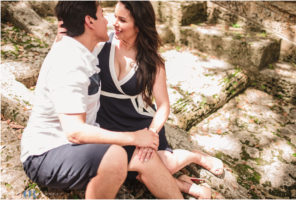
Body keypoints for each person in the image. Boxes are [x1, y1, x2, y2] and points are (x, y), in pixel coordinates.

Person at [20, 1, 183, 199]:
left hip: (82, 144)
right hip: (48, 153)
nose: (110, 22)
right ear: (89, 21)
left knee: (146, 158)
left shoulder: (85, 52)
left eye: (120, 19)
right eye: (103, 15)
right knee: (115, 156)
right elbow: (75, 132)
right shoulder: (70, 60)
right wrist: (134, 137)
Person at [94, 1, 224, 199]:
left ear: (139, 25)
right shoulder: (101, 44)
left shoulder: (152, 61)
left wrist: (151, 135)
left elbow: (163, 105)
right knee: (123, 169)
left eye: (122, 20)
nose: (114, 23)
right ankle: (185, 186)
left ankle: (195, 157)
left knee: (158, 164)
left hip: (140, 124)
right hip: (108, 126)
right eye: (115, 17)